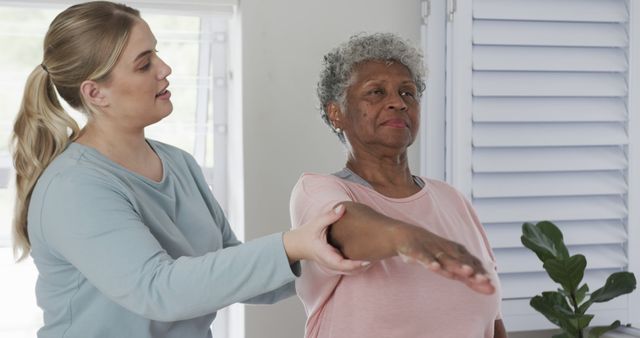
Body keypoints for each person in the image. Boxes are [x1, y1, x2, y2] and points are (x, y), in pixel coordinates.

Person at [10, 2, 367, 337]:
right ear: (95, 93)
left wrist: (336, 251)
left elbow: (229, 268)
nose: (164, 69)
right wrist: (292, 244)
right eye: (144, 63)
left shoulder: (178, 163)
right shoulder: (73, 188)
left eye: (157, 53)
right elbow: (159, 290)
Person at [290, 33, 507, 338]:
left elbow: (492, 321)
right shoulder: (319, 191)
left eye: (408, 93)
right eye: (376, 92)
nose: (398, 103)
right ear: (336, 113)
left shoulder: (452, 200)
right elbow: (345, 229)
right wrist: (410, 237)